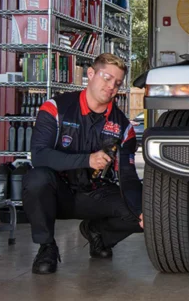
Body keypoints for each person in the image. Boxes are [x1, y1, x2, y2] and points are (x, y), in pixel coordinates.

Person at [23, 53, 143, 274]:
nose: (111, 87)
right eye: (106, 78)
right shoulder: (56, 108)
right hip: (58, 192)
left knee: (147, 210)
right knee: (36, 178)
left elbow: (128, 176)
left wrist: (141, 210)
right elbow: (39, 156)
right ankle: (46, 247)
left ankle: (99, 234)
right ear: (90, 74)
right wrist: (87, 160)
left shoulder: (124, 127)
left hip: (94, 194)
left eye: (117, 83)